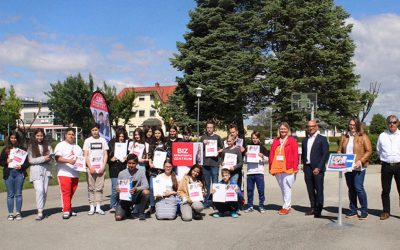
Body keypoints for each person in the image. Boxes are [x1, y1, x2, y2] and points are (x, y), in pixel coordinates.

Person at [337, 118, 372, 220]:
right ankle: (353, 210)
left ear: (357, 125)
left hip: (359, 167)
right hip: (347, 167)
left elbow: (369, 151)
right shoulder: (345, 137)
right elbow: (339, 150)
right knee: (351, 189)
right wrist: (340, 157)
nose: (352, 126)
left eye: (354, 124)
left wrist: (360, 161)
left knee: (358, 188)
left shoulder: (363, 136)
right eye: (350, 124)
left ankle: (364, 210)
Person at [269, 122, 299, 215]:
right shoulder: (276, 140)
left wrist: (295, 167)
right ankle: (286, 204)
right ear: (279, 130)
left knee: (286, 187)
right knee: (282, 187)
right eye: (281, 129)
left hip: (288, 167)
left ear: (288, 130)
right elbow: (272, 153)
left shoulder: (292, 140)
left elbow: (295, 155)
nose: (283, 130)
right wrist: (270, 166)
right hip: (277, 167)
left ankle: (286, 206)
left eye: (284, 129)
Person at [301, 120, 329, 218]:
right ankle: (313, 207)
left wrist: (319, 167)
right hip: (307, 168)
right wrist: (303, 165)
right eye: (309, 126)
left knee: (319, 189)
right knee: (310, 189)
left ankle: (319, 209)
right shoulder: (305, 140)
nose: (311, 128)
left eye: (313, 126)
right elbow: (304, 154)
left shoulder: (322, 139)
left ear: (316, 127)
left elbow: (325, 155)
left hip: (318, 168)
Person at [54, 128, 83, 219]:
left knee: (71, 192)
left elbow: (81, 160)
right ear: (65, 135)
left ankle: (68, 208)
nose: (71, 136)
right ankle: (66, 210)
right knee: (66, 192)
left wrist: (83, 167)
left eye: (73, 134)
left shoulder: (77, 147)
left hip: (75, 173)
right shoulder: (60, 145)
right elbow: (57, 158)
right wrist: (68, 161)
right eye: (69, 134)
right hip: (64, 172)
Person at [0, 131, 29, 221]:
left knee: (18, 194)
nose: (13, 139)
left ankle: (18, 213)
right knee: (10, 194)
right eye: (12, 138)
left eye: (15, 138)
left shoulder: (22, 150)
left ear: (18, 139)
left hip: (19, 173)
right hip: (9, 173)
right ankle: (10, 214)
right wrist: (6, 161)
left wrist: (22, 166)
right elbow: (1, 162)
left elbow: (27, 163)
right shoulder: (5, 150)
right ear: (9, 139)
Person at [376, 115, 400, 220]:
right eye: (390, 122)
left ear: (397, 123)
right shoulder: (382, 136)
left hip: (399, 165)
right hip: (386, 166)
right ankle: (386, 212)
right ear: (387, 123)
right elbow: (379, 150)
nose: (392, 124)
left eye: (394, 122)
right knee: (385, 190)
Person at [115, 154, 150, 221]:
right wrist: (118, 188)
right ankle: (127, 211)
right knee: (118, 218)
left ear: (137, 163)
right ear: (127, 163)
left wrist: (136, 188)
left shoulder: (141, 172)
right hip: (125, 198)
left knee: (146, 192)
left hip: (136, 195)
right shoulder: (121, 173)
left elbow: (146, 185)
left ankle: (141, 213)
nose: (131, 165)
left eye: (133, 163)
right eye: (129, 163)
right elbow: (118, 185)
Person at [83, 123, 109, 215]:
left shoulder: (103, 140)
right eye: (93, 130)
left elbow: (105, 154)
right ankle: (91, 207)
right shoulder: (87, 141)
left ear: (99, 130)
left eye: (96, 130)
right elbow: (85, 155)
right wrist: (90, 167)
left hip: (100, 169)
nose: (95, 132)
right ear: (91, 131)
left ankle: (98, 207)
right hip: (90, 168)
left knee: (99, 188)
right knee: (91, 188)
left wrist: (103, 166)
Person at [28, 128, 53, 221]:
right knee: (39, 190)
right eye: (38, 135)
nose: (39, 137)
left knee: (44, 191)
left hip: (46, 170)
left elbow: (51, 157)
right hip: (36, 171)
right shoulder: (31, 146)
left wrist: (50, 158)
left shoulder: (48, 146)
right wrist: (43, 158)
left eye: (41, 135)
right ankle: (39, 212)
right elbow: (31, 160)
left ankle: (42, 209)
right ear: (34, 136)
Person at [200, 120, 223, 208]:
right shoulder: (203, 137)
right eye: (208, 127)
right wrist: (202, 143)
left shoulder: (217, 137)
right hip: (205, 164)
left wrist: (218, 151)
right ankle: (206, 202)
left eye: (211, 127)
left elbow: (222, 148)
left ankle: (215, 202)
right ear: (206, 128)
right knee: (206, 184)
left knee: (215, 184)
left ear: (214, 128)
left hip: (214, 164)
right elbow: (198, 148)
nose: (209, 129)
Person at [244, 131, 268, 213]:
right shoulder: (248, 148)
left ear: (259, 138)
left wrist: (263, 156)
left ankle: (261, 205)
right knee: (250, 190)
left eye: (256, 138)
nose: (254, 139)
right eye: (253, 138)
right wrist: (246, 156)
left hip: (259, 172)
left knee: (261, 190)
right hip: (250, 172)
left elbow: (267, 160)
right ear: (251, 138)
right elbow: (244, 161)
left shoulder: (262, 147)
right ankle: (250, 206)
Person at [107, 128, 129, 213]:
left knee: (124, 187)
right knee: (115, 188)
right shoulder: (111, 143)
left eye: (123, 136)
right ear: (117, 136)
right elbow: (106, 157)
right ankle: (113, 205)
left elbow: (131, 155)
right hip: (114, 168)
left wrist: (127, 157)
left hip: (124, 167)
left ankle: (123, 205)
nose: (121, 138)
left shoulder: (127, 143)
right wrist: (111, 159)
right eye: (120, 136)